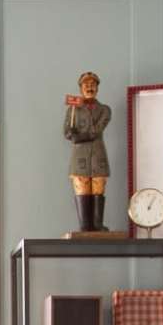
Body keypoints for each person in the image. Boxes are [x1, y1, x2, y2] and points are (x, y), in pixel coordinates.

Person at [63, 70, 114, 233]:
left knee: (98, 185)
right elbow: (66, 132)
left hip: (97, 154)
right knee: (82, 184)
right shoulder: (73, 109)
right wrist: (71, 133)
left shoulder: (105, 110)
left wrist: (79, 137)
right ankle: (85, 225)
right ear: (81, 88)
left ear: (97, 88)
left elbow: (97, 130)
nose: (89, 87)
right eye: (86, 84)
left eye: (93, 84)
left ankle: (97, 224)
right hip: (80, 155)